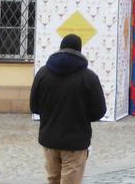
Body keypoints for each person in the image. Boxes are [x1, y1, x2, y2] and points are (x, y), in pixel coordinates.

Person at [30, 34, 106, 184]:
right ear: (80, 50)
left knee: (53, 180)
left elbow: (34, 106)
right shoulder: (89, 77)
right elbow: (99, 111)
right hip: (75, 141)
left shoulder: (43, 73)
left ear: (60, 48)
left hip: (49, 139)